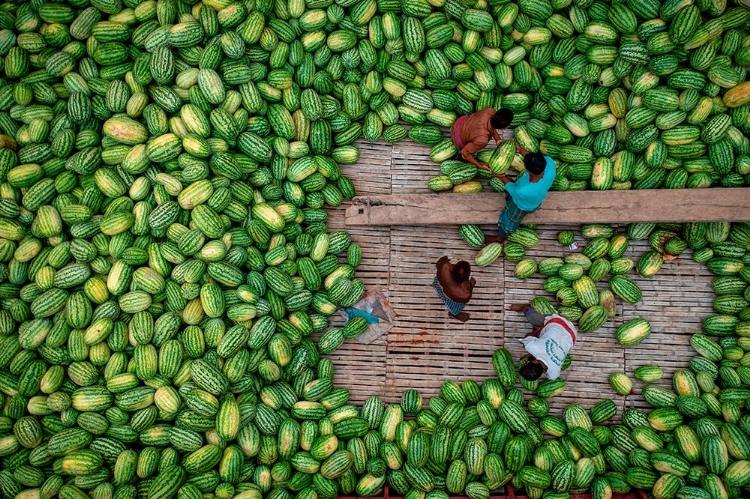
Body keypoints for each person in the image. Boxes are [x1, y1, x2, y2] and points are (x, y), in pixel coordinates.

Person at [485, 152, 557, 244]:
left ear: (528, 170)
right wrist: (518, 148)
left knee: (509, 221)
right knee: (514, 192)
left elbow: (510, 186)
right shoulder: (549, 163)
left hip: (521, 206)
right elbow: (533, 158)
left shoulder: (523, 190)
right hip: (535, 199)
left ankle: (501, 237)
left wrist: (500, 175)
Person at [509, 303, 577, 381]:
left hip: (572, 336)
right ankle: (525, 308)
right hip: (560, 322)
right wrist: (535, 336)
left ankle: (541, 331)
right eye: (526, 363)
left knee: (541, 340)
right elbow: (528, 336)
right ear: (534, 361)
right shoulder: (532, 347)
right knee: (534, 320)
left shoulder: (553, 375)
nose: (525, 362)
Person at [434, 256, 475, 323]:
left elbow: (438, 264)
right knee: (456, 308)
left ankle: (435, 285)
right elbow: (466, 299)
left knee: (437, 281)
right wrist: (472, 285)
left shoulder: (444, 266)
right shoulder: (465, 293)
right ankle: (454, 314)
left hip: (438, 284)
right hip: (450, 298)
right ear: (465, 281)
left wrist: (445, 259)